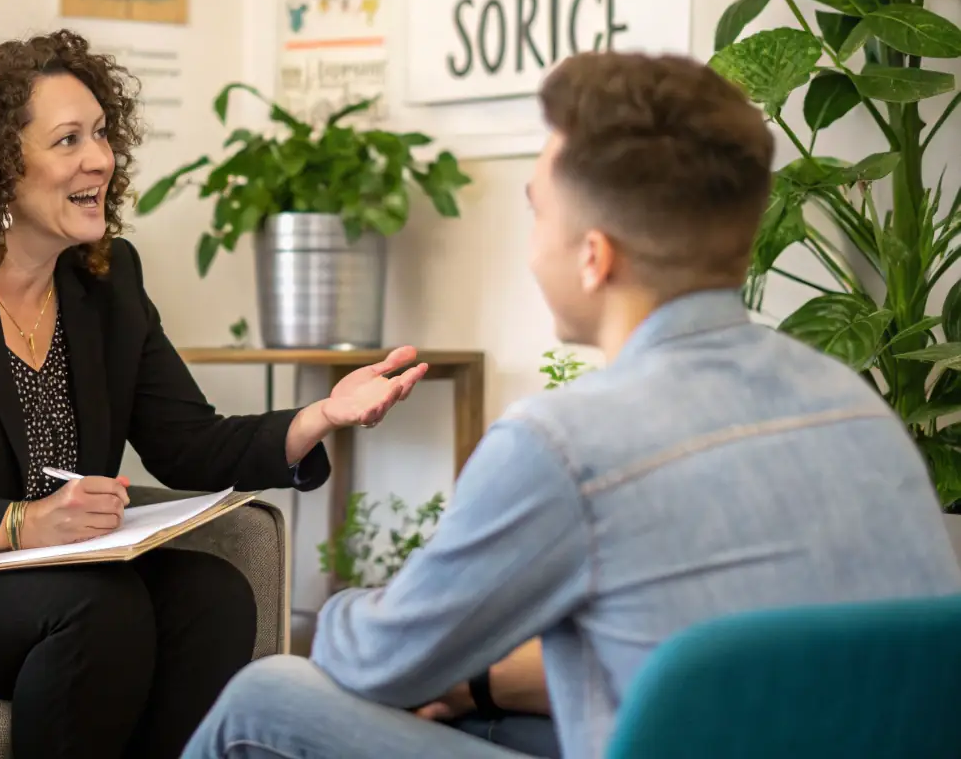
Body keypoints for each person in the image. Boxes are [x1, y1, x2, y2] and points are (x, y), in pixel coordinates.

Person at [182, 51, 961, 759]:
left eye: (537, 212)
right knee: (474, 713)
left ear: (593, 257)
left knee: (267, 697)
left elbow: (373, 663)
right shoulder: (854, 406)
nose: (531, 245)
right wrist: (483, 684)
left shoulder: (562, 443)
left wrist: (351, 611)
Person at [0, 30, 429, 759]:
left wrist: (320, 415)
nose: (100, 158)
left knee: (214, 595)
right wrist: (24, 523)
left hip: (40, 577)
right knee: (99, 607)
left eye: (101, 133)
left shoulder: (107, 282)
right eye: (68, 139)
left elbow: (187, 441)